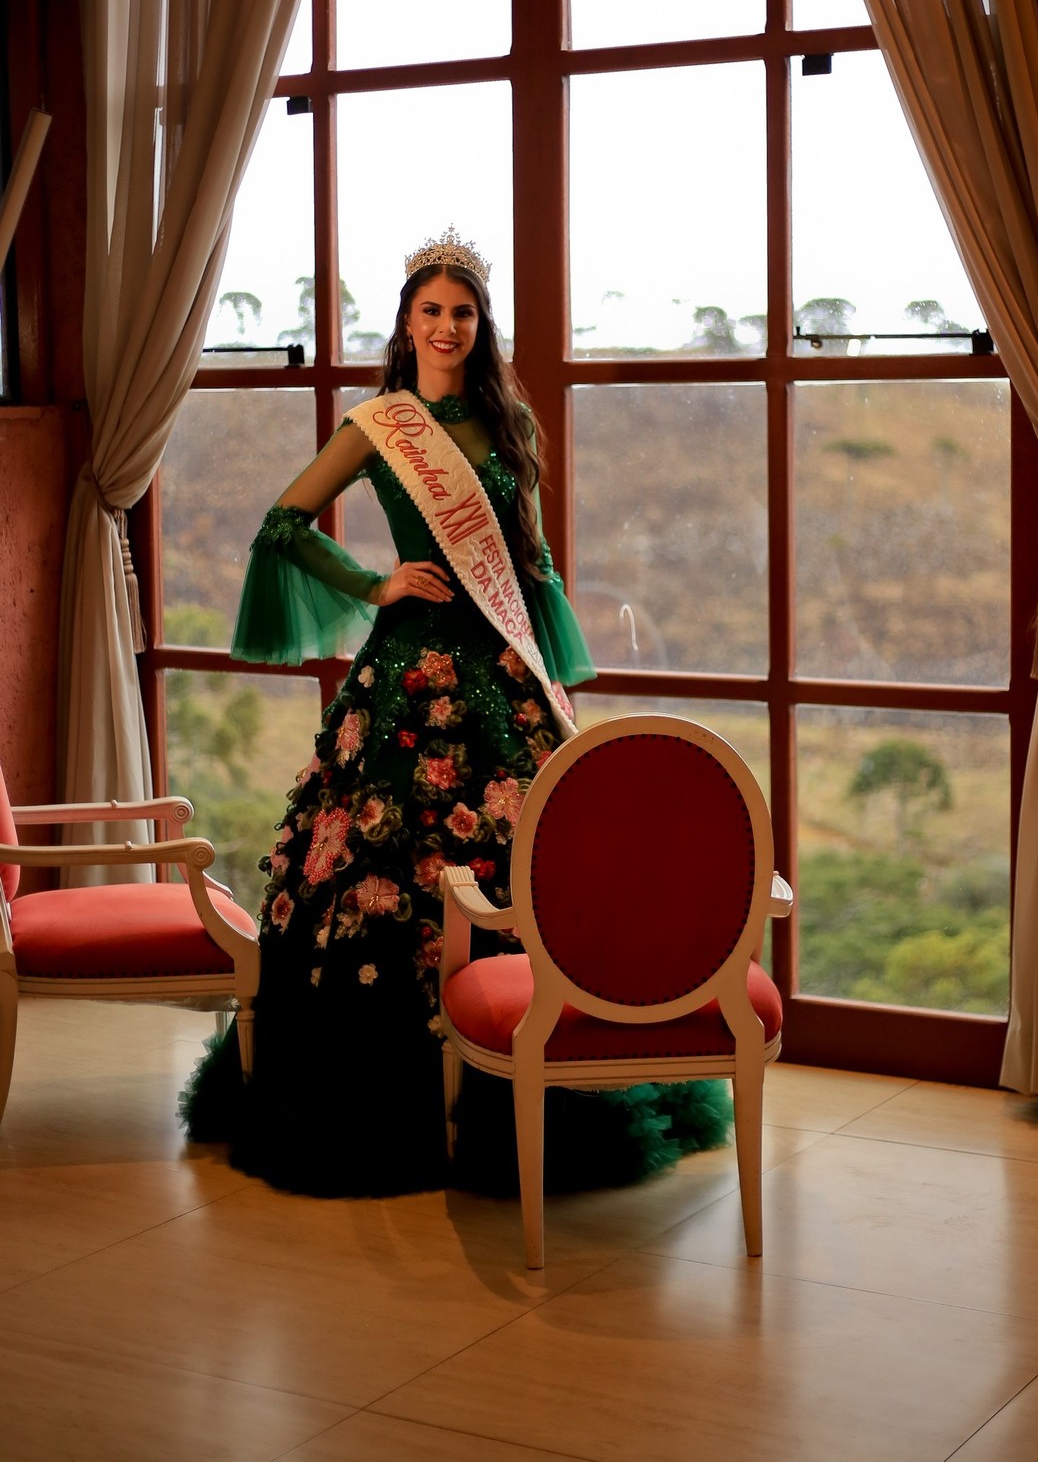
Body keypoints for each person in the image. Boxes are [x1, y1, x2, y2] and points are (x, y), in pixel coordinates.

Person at [181, 231, 732, 1196]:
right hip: (408, 675)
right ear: (405, 323)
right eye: (430, 311)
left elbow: (532, 558)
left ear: (481, 324)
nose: (446, 327)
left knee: (535, 859)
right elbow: (282, 525)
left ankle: (535, 1057)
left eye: (462, 312)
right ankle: (395, 1098)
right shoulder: (378, 426)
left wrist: (546, 668)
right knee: (378, 867)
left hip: (502, 669)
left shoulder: (505, 417)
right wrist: (374, 582)